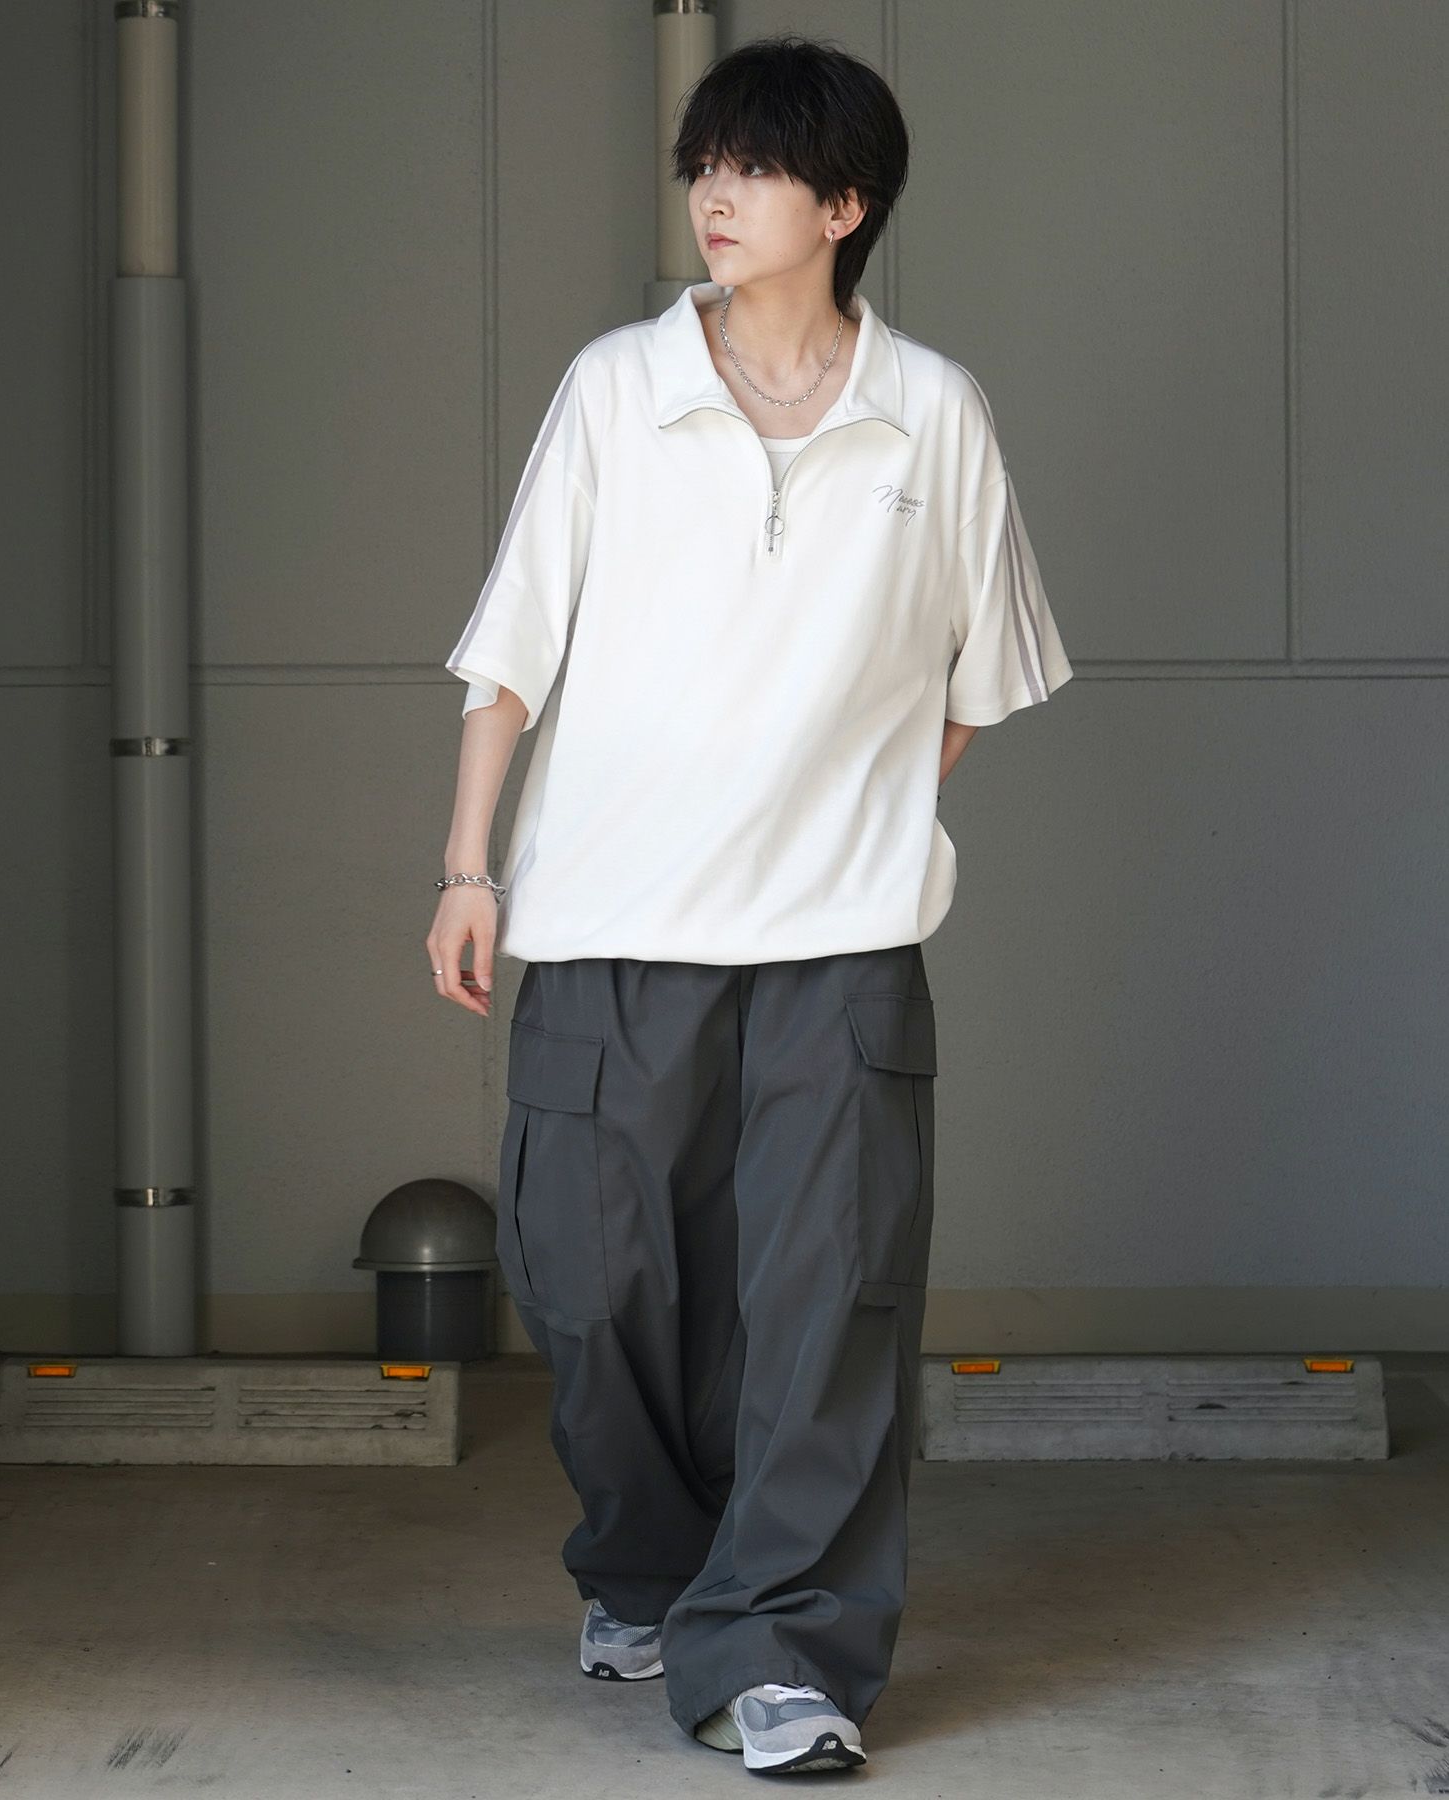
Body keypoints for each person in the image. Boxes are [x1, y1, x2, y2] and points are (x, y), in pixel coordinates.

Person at [426, 32, 1073, 1777]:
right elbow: (510, 652)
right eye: (705, 165)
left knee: (828, 1301)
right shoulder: (615, 391)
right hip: (606, 929)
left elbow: (974, 681)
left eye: (759, 169)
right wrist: (471, 867)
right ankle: (650, 1563)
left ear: (844, 205)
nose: (716, 196)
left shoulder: (935, 414)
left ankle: (785, 1648)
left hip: (838, 949)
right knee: (594, 1288)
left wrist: (845, 813)